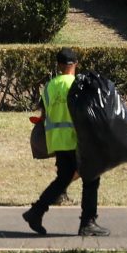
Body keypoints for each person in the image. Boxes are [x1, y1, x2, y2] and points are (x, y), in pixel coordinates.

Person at [22, 48, 103, 238]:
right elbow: (85, 112)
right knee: (91, 178)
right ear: (76, 64)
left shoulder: (50, 86)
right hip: (76, 140)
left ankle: (36, 212)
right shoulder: (77, 84)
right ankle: (88, 222)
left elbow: (45, 113)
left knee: (63, 179)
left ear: (58, 65)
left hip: (57, 140)